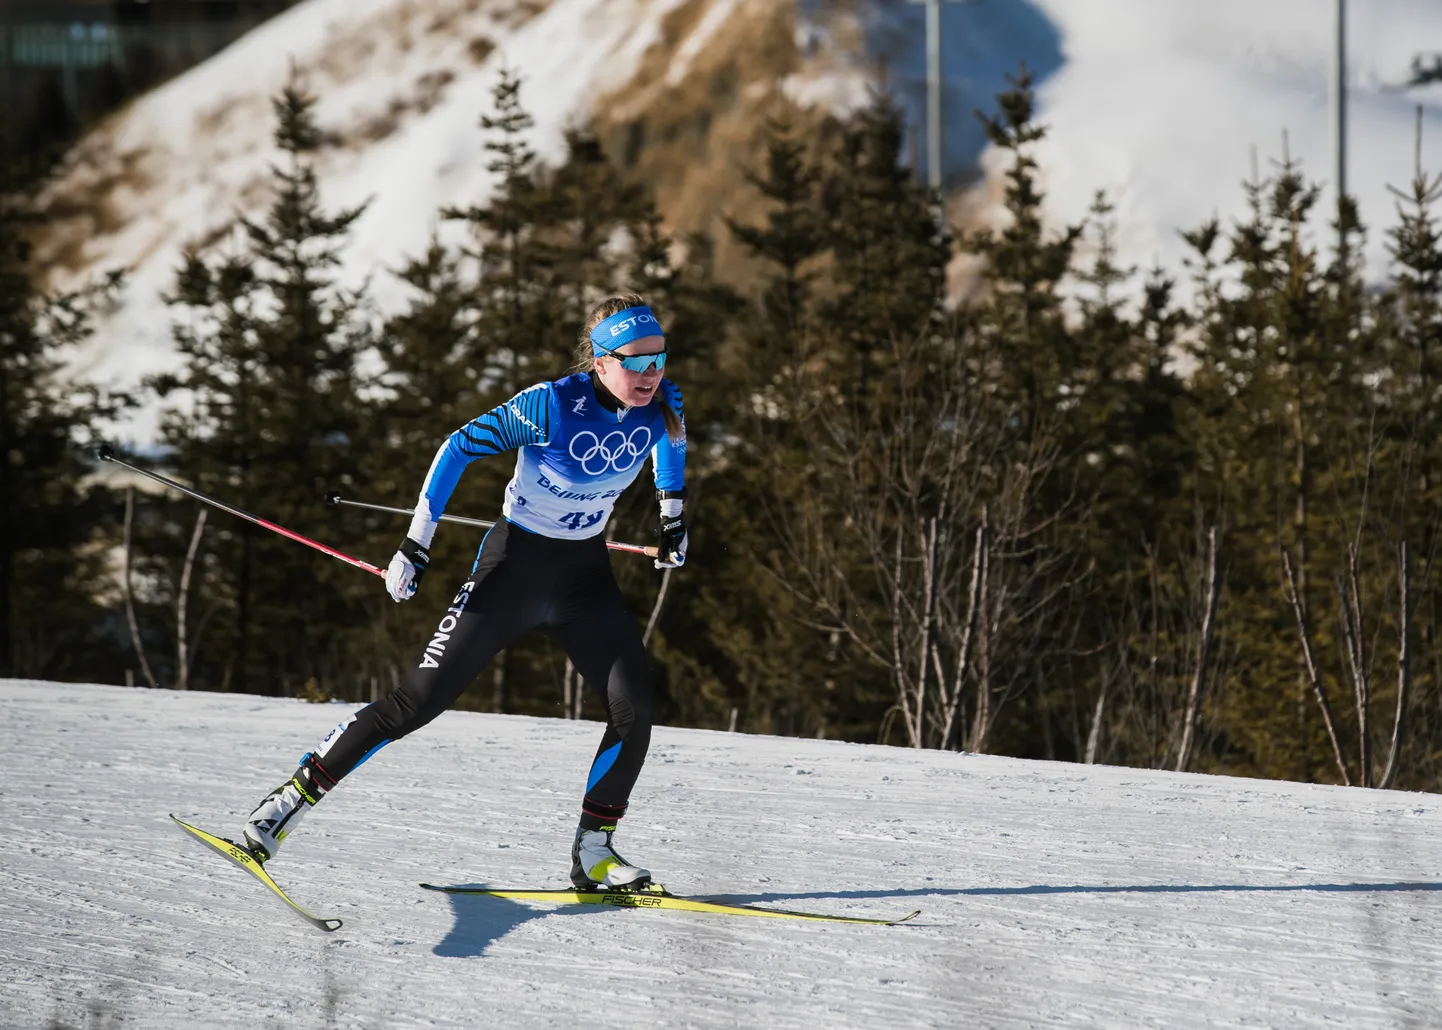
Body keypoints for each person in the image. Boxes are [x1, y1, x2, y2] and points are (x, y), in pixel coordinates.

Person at [239, 294, 687, 890]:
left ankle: (595, 852)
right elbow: (456, 447)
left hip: (584, 577)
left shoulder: (662, 402)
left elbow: (670, 448)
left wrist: (672, 521)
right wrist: (414, 545)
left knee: (635, 708)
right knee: (414, 704)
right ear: (600, 361)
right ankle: (288, 803)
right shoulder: (551, 405)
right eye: (636, 362)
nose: (651, 374)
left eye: (658, 360)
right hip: (515, 570)